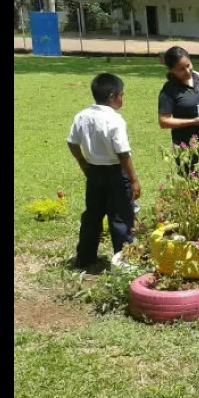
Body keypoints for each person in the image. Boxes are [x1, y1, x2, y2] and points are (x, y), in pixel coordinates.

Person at [67, 73, 141, 268]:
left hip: (94, 173)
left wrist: (83, 163)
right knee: (121, 218)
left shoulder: (82, 116)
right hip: (116, 174)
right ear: (112, 96)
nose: (122, 99)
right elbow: (123, 154)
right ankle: (124, 261)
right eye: (121, 95)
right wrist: (133, 180)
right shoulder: (115, 120)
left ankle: (85, 257)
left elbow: (72, 143)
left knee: (92, 215)